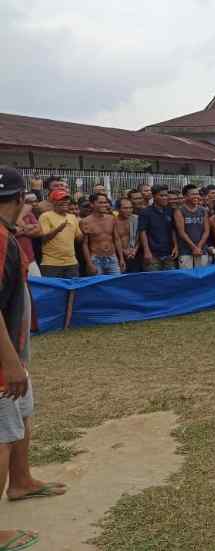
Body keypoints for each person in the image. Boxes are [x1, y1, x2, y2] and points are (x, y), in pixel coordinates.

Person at [0, 168, 66, 551]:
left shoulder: (9, 235)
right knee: (2, 433)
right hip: (2, 357)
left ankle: (21, 481)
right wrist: (9, 364)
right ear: (20, 197)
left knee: (21, 414)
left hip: (13, 347)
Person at [36, 190, 82, 278]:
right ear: (53, 202)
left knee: (72, 290)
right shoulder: (45, 216)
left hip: (72, 263)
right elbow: (44, 239)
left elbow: (79, 239)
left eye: (66, 199)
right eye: (61, 199)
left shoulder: (72, 217)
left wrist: (85, 231)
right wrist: (58, 229)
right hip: (51, 264)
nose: (65, 202)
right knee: (52, 291)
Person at [80, 193, 124, 275]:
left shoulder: (111, 219)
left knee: (115, 283)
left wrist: (121, 258)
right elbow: (85, 244)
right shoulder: (85, 221)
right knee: (98, 285)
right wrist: (89, 263)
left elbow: (117, 239)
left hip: (112, 257)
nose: (104, 205)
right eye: (100, 203)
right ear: (92, 204)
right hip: (96, 259)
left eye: (105, 202)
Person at [138, 185, 177, 272]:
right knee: (153, 281)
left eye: (166, 195)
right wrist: (146, 251)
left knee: (170, 280)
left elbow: (173, 230)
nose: (164, 198)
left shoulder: (170, 210)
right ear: (154, 196)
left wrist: (176, 246)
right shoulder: (145, 212)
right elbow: (142, 231)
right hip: (153, 255)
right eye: (161, 195)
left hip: (169, 253)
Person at [174, 184, 210, 270]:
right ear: (185, 196)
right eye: (193, 194)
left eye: (197, 194)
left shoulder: (203, 210)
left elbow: (206, 231)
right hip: (185, 250)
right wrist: (194, 247)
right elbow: (181, 232)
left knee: (202, 275)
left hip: (201, 249)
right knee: (187, 277)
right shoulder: (179, 211)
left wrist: (199, 247)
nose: (196, 196)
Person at [15, 194, 41, 278]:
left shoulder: (29, 213)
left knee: (38, 286)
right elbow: (9, 233)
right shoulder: (5, 213)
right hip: (11, 260)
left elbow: (39, 230)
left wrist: (20, 230)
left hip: (30, 258)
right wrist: (27, 227)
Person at [114, 198, 139, 272]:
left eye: (130, 208)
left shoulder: (136, 219)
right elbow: (113, 239)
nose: (128, 210)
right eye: (125, 208)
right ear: (118, 209)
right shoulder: (113, 221)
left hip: (134, 254)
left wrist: (135, 250)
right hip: (118, 255)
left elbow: (140, 237)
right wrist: (123, 251)